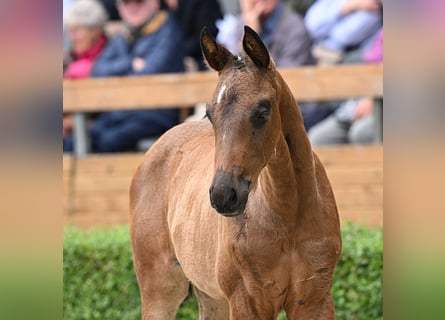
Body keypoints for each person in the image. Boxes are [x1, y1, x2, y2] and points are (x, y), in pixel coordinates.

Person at [65, 0, 186, 153]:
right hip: (118, 115)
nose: (132, 7)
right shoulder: (122, 36)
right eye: (126, 2)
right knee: (72, 141)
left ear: (154, 3)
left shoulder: (168, 31)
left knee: (109, 141)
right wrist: (129, 64)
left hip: (153, 114)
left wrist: (120, 72)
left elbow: (149, 72)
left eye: (139, 2)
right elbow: (98, 70)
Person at [307, 28, 383, 146]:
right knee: (318, 138)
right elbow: (370, 62)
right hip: (359, 101)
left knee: (361, 133)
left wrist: (375, 101)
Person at [63, 0, 109, 149]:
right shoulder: (71, 58)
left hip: (97, 122)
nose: (72, 37)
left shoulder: (108, 56)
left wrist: (70, 122)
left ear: (95, 30)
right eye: (70, 31)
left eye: (77, 30)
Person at [216, 0, 314, 67]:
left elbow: (283, 83)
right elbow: (231, 73)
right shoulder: (239, 24)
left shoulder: (294, 27)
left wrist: (251, 40)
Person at [304, 0, 382, 65]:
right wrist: (348, 6)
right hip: (317, 53)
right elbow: (312, 27)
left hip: (355, 61)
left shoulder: (374, 9)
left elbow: (345, 37)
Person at [161, 0, 223, 71]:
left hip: (200, 61)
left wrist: (174, 52)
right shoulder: (157, 5)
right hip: (166, 60)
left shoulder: (201, 3)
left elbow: (208, 36)